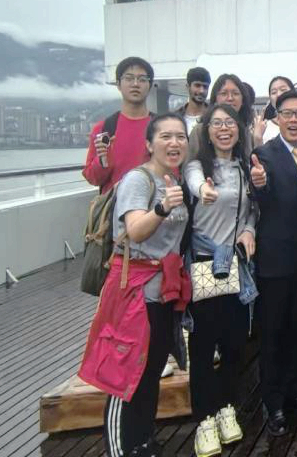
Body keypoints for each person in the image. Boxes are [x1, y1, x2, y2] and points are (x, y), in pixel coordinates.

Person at [80, 114, 190, 457]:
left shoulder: (173, 179)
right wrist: (162, 207)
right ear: (149, 144)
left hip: (163, 291)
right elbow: (134, 231)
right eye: (165, 136)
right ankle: (121, 448)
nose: (174, 143)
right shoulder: (138, 180)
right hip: (135, 292)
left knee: (152, 367)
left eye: (181, 137)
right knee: (127, 373)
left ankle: (143, 440)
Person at [183, 104, 258, 456]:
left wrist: (249, 230)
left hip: (235, 266)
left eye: (230, 123)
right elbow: (196, 185)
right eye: (217, 124)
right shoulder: (197, 167)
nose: (224, 129)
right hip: (203, 264)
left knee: (233, 342)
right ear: (207, 131)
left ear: (239, 129)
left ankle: (227, 408)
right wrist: (204, 190)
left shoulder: (244, 169)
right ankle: (204, 419)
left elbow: (251, 211)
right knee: (201, 346)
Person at [249, 90, 297, 437]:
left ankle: (295, 392)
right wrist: (259, 185)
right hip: (275, 261)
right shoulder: (264, 155)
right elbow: (259, 195)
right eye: (287, 113)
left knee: (296, 331)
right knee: (273, 332)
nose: (294, 120)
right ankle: (273, 402)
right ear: (277, 117)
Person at [83, 57, 154, 193]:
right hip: (115, 204)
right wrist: (103, 159)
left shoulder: (160, 127)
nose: (135, 84)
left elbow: (173, 171)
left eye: (142, 79)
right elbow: (93, 178)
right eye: (129, 78)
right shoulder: (104, 129)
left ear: (149, 85)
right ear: (118, 84)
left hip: (152, 202)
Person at [176, 67, 210, 134]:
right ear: (187, 87)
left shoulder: (214, 116)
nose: (201, 91)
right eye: (197, 85)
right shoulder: (176, 118)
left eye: (205, 87)